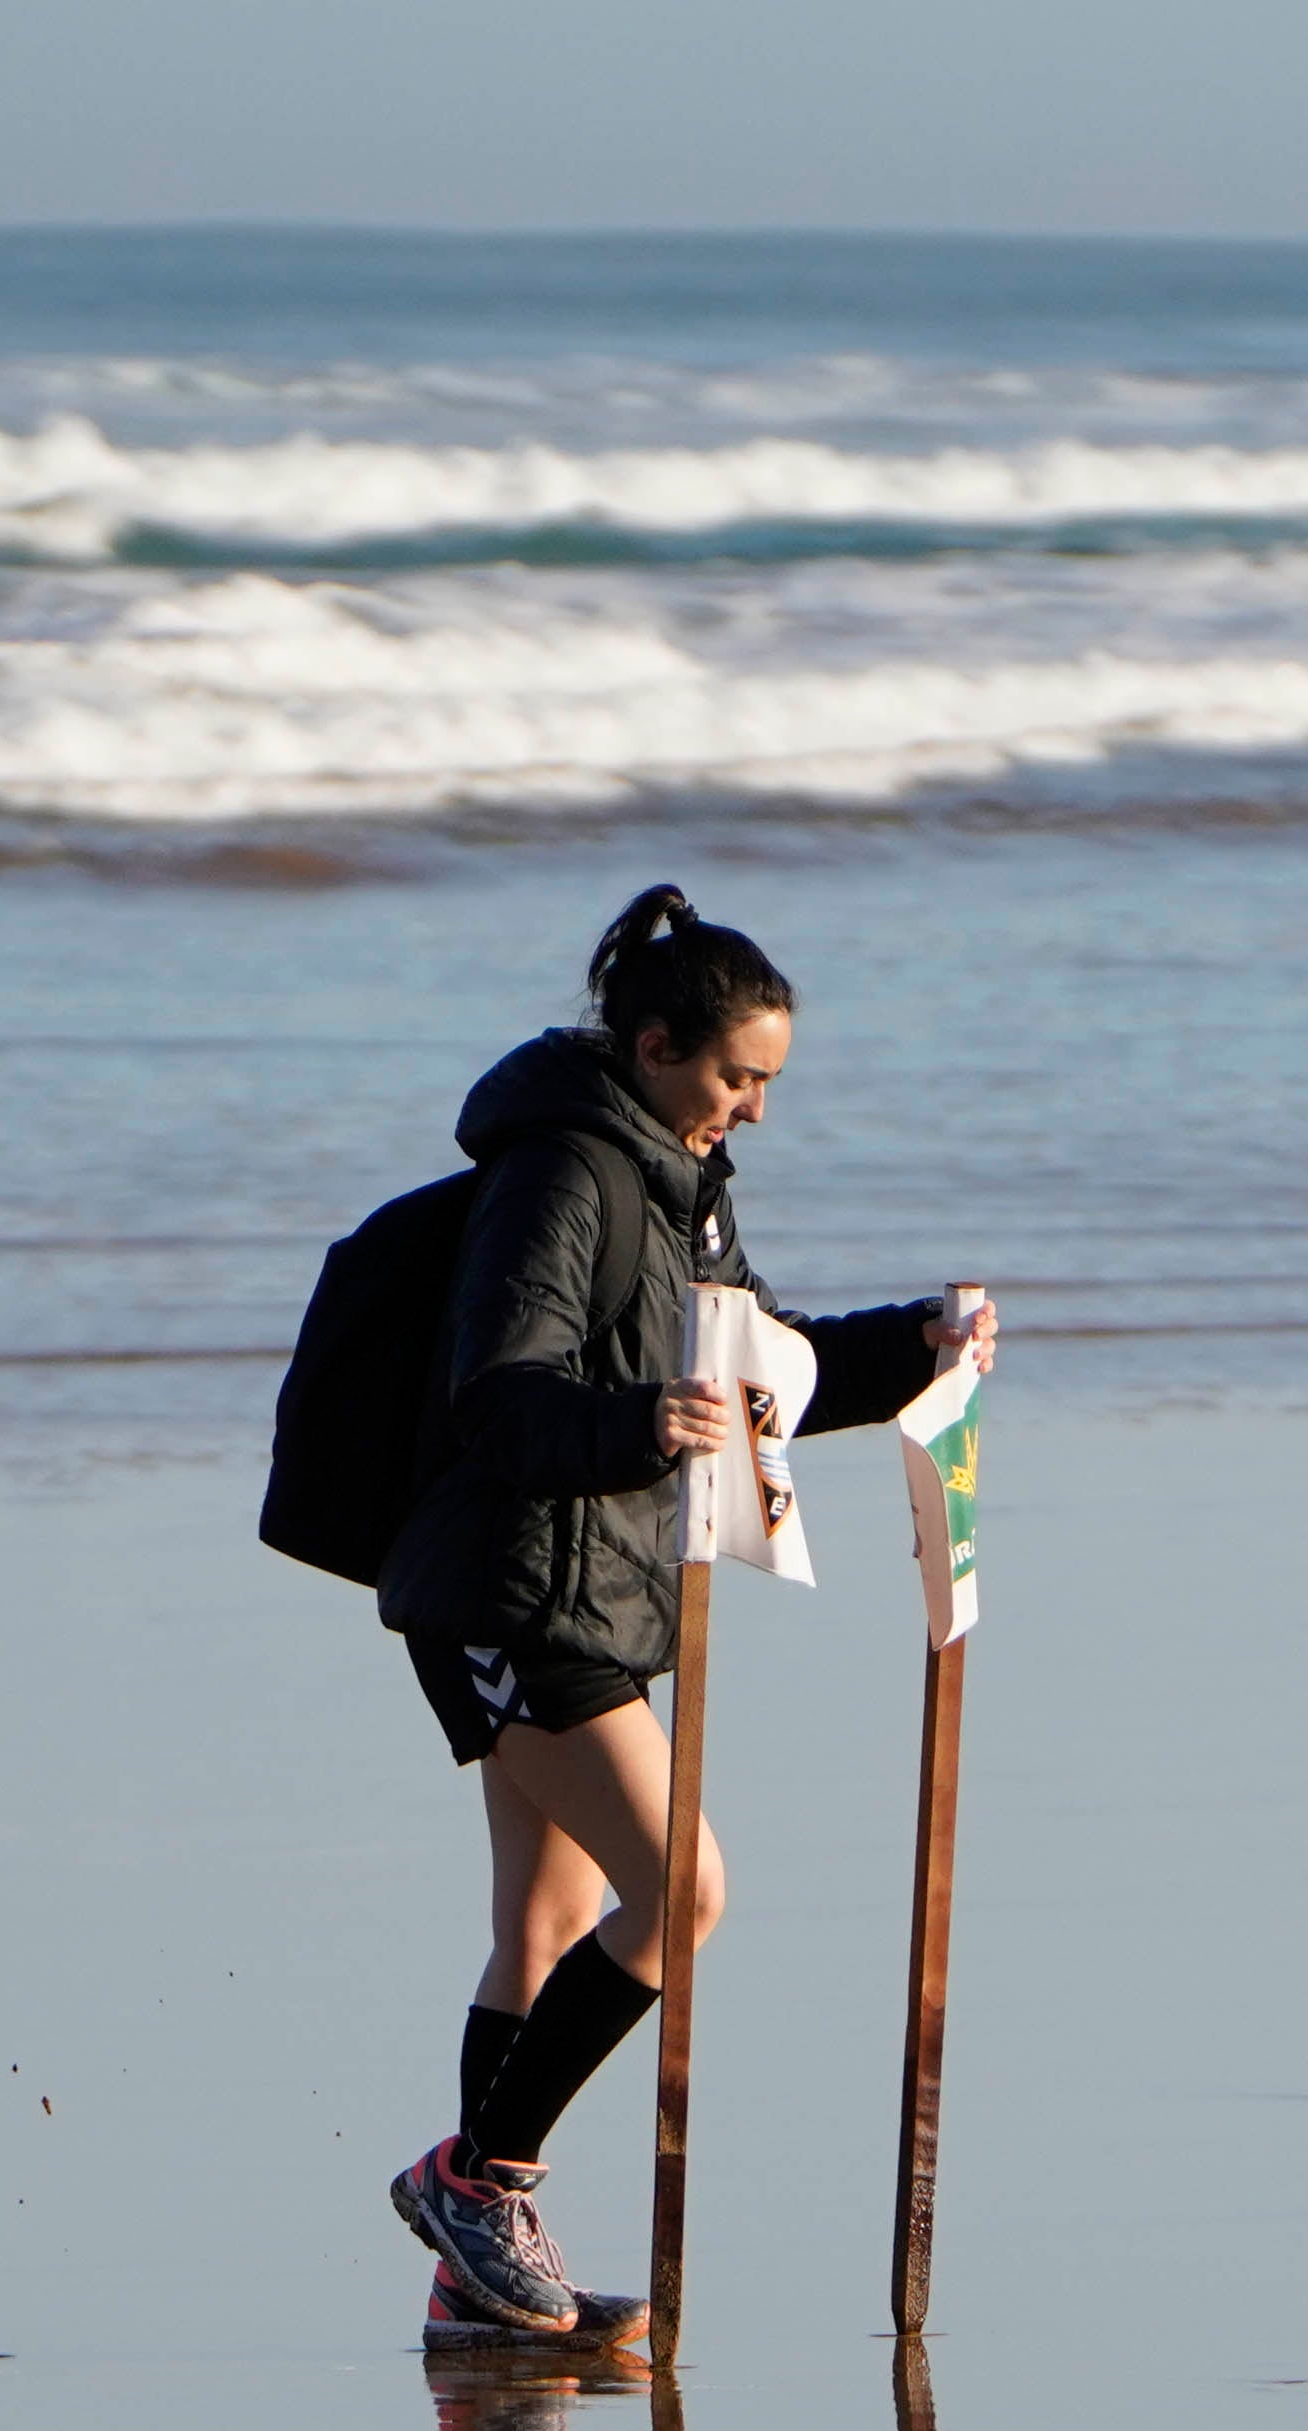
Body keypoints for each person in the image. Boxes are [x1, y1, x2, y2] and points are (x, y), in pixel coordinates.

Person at [379, 884, 997, 2339]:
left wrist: (912, 1350)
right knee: (685, 1893)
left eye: (767, 1080)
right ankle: (478, 2183)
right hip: (514, 1591)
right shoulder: (563, 1177)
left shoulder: (680, 1183)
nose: (757, 1110)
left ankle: (475, 2285)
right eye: (738, 1077)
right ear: (655, 1048)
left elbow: (759, 1375)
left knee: (551, 1916)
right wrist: (640, 1429)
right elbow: (500, 1394)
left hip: (589, 1582)